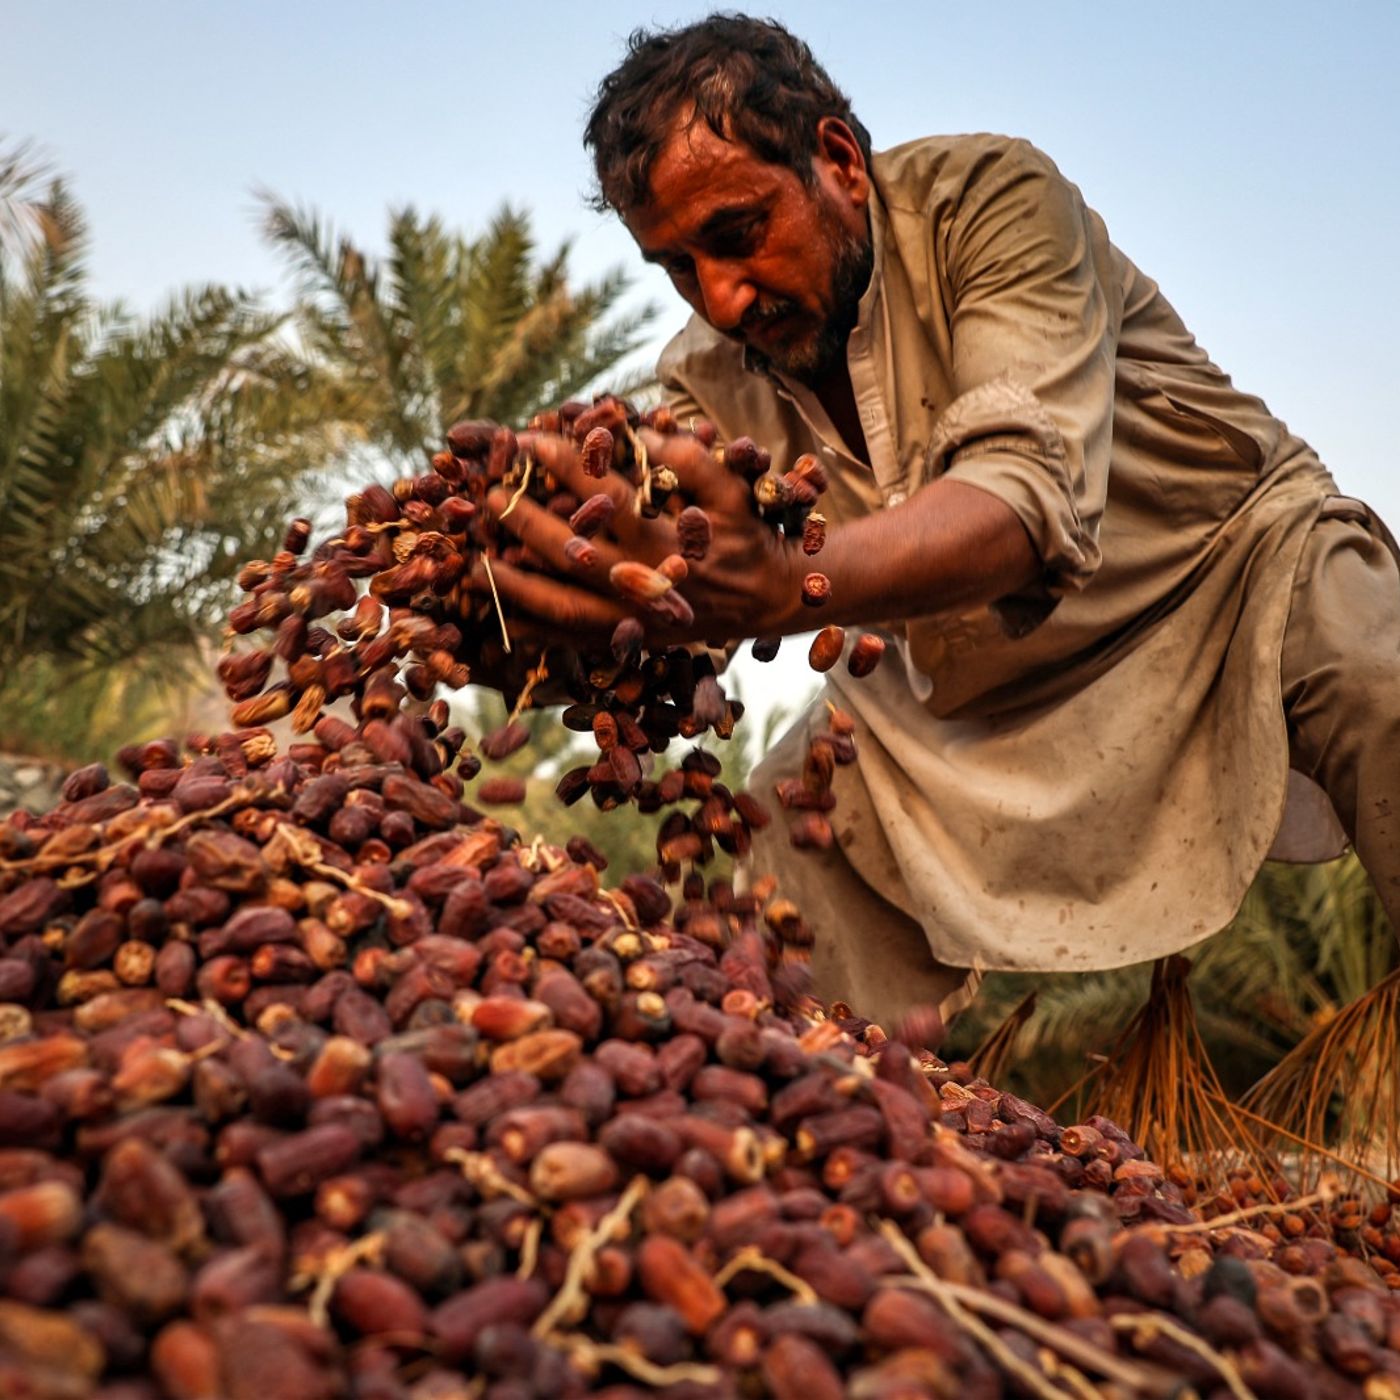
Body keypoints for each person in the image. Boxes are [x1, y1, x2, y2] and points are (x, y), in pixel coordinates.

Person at [479, 14, 1400, 1024]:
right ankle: (831, 1143)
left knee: (1371, 664)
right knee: (784, 840)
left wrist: (793, 582)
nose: (722, 296)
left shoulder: (990, 202)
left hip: (1222, 582)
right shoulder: (697, 386)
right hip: (955, 690)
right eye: (676, 267)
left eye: (737, 235)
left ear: (837, 159)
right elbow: (670, 574)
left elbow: (1017, 498)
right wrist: (547, 598)